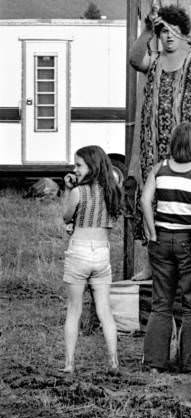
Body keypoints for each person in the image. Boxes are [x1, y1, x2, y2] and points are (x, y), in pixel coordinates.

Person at [129, 4, 191, 280]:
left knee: (189, 201)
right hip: (155, 144)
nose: (169, 37)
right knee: (156, 202)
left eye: (175, 32)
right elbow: (134, 60)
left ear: (184, 33)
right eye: (164, 32)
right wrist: (147, 31)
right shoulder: (154, 60)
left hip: (187, 148)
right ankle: (153, 264)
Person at [140, 122, 191, 373]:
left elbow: (145, 200)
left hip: (160, 240)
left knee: (161, 303)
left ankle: (153, 363)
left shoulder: (159, 168)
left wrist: (151, 232)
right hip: (187, 240)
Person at [60, 145, 124, 374]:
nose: (75, 169)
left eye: (78, 165)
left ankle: (69, 364)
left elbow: (67, 216)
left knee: (73, 309)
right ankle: (114, 361)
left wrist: (68, 189)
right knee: (105, 310)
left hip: (79, 251)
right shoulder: (112, 192)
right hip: (101, 253)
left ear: (92, 166)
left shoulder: (79, 192)